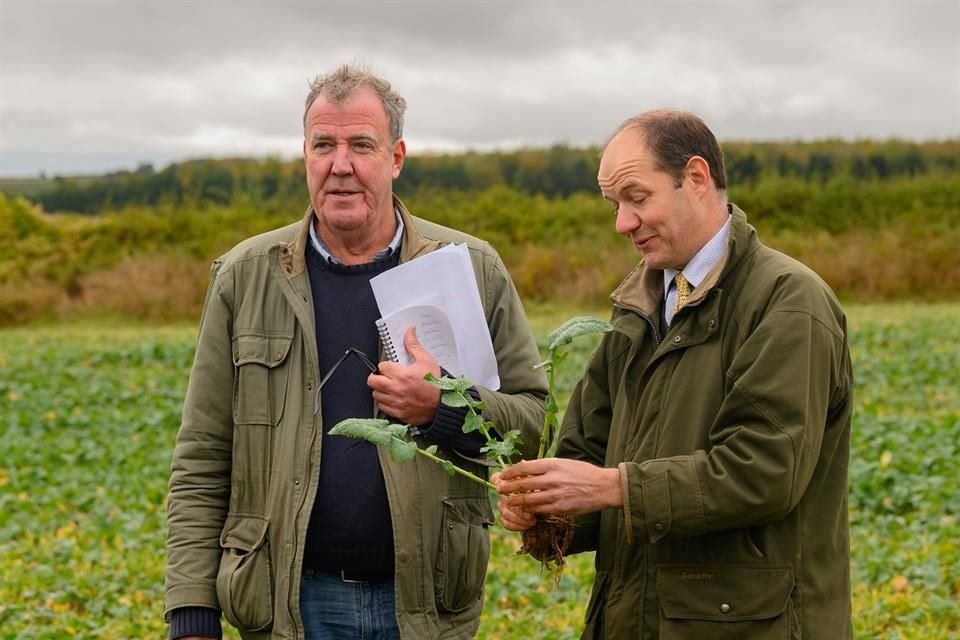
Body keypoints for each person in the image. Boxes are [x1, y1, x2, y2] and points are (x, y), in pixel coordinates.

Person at [164, 65, 547, 640]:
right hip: (287, 605)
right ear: (305, 155)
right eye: (324, 145)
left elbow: (531, 424)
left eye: (360, 145)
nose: (340, 164)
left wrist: (439, 408)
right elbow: (201, 456)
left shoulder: (470, 269)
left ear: (395, 157)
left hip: (424, 605)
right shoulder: (245, 277)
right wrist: (192, 607)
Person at [494, 110, 853, 639]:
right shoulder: (638, 305)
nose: (622, 223)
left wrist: (614, 487)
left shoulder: (786, 302)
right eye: (615, 205)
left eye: (637, 199)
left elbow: (763, 471)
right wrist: (548, 510)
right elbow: (586, 455)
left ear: (697, 178)